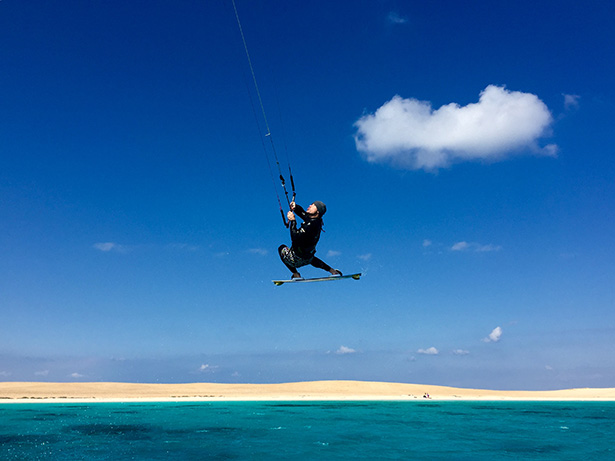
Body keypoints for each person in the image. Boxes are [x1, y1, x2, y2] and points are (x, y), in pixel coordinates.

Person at [278, 200, 342, 279]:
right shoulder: (316, 220)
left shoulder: (310, 225)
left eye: (313, 205)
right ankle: (333, 271)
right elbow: (302, 213)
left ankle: (295, 274)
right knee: (310, 258)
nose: (310, 205)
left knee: (281, 248)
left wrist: (293, 221)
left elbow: (295, 238)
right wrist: (295, 207)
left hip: (296, 258)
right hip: (308, 257)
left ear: (317, 211)